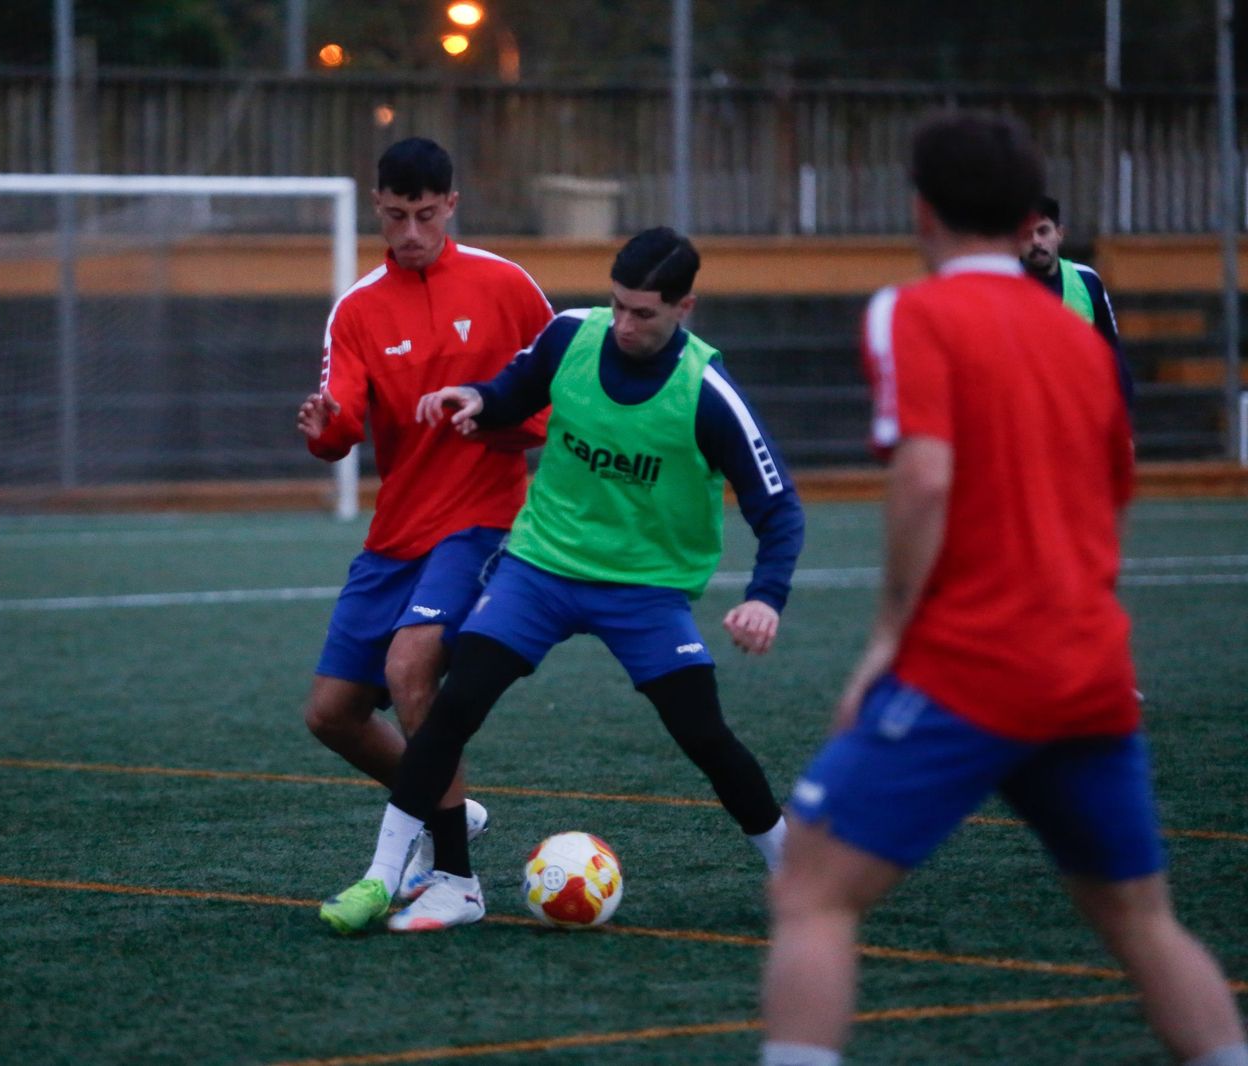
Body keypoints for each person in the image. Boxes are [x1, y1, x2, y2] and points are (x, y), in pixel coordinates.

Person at [759, 113, 1246, 1066]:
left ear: (921, 210)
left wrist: (889, 639)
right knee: (1142, 922)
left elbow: (928, 475)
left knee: (811, 891)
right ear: (1031, 216)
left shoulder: (912, 312)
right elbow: (1112, 494)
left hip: (972, 668)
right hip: (1087, 667)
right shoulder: (1083, 341)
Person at [319, 226, 804, 935]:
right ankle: (404, 879)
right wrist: (478, 400)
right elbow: (516, 390)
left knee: (704, 735)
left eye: (644, 313)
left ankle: (794, 870)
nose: (625, 325)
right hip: (541, 567)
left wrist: (766, 597)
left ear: (684, 308)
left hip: (644, 589)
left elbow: (778, 508)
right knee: (454, 707)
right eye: (618, 306)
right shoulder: (574, 333)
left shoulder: (707, 392)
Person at [296, 136, 554, 902]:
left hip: (481, 521)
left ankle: (454, 880)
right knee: (332, 715)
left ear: (451, 206)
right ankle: (452, 807)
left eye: (425, 215)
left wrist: (497, 421)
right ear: (377, 206)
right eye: (396, 215)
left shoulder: (507, 287)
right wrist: (325, 429)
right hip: (395, 533)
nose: (410, 233)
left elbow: (551, 402)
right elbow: (341, 420)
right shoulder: (357, 309)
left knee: (412, 668)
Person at [1020, 193, 1135, 410]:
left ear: (1059, 234)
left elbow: (1113, 356)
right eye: (1027, 234)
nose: (1036, 241)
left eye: (1043, 231)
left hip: (1079, 413)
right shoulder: (1004, 287)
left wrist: (1123, 425)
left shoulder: (1087, 281)